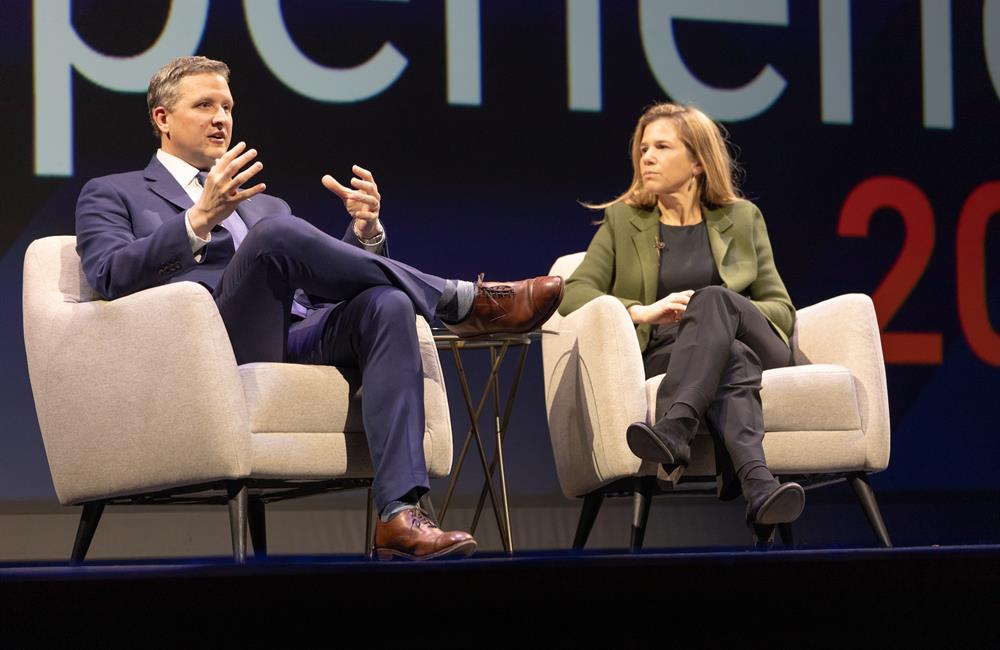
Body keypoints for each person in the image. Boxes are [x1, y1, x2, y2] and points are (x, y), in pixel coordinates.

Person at [74, 56, 563, 561]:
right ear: (162, 119)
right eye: (204, 105)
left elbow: (321, 293)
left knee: (389, 303)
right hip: (207, 350)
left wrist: (365, 236)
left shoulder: (263, 204)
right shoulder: (114, 193)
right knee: (275, 236)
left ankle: (400, 514)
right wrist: (197, 221)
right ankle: (459, 300)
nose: (221, 117)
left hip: (291, 336)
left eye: (227, 106)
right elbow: (108, 274)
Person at [559, 102, 804, 534]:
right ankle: (759, 486)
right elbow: (572, 294)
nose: (646, 157)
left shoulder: (742, 219)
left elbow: (781, 309)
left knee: (715, 303)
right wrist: (640, 311)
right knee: (734, 357)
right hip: (669, 355)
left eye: (661, 147)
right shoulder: (623, 222)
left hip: (765, 346)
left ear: (696, 162)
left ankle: (675, 429)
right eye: (642, 148)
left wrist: (721, 309)